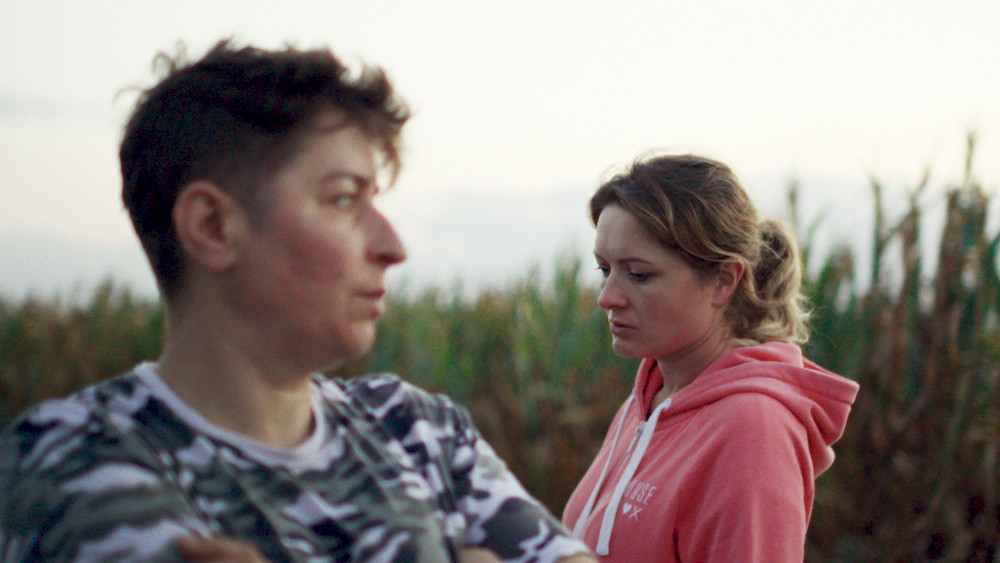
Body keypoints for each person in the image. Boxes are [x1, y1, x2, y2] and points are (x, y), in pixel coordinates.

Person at [0, 40, 594, 563]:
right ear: (212, 226)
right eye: (343, 200)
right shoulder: (74, 464)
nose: (393, 247)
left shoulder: (416, 428)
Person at [561, 154, 860, 561]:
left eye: (639, 274)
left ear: (723, 280)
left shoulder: (752, 431)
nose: (607, 297)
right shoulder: (646, 403)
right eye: (604, 270)